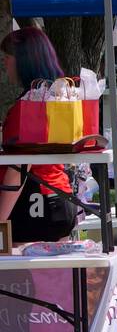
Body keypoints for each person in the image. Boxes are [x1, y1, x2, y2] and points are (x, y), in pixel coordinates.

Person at [0, 28, 78, 242]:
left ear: (23, 61)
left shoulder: (28, 107)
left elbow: (18, 169)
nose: (5, 64)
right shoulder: (55, 100)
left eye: (7, 58)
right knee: (56, 276)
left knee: (18, 275)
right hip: (59, 197)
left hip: (35, 206)